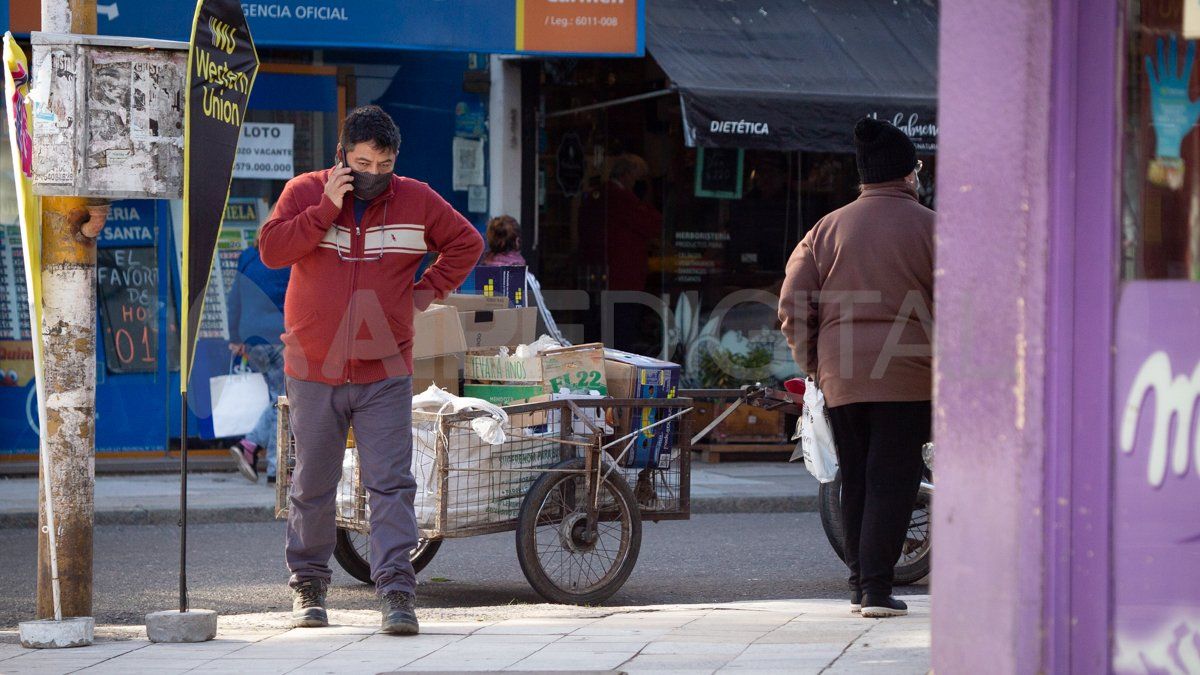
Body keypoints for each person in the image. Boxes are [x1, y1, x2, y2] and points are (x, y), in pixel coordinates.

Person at [258, 105, 483, 635]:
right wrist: (324, 210)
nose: (374, 174)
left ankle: (397, 594)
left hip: (384, 367)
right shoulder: (304, 191)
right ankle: (309, 586)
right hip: (313, 366)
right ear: (341, 157)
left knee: (392, 484)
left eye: (384, 164)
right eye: (363, 162)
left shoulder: (417, 198)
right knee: (313, 481)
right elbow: (271, 250)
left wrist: (423, 294)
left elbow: (466, 242)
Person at [778, 117, 934, 619]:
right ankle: (875, 590)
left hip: (840, 376)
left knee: (856, 477)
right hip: (908, 377)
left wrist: (814, 365)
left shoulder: (825, 229)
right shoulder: (935, 229)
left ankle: (858, 584)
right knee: (894, 480)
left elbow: (791, 304)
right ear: (908, 175)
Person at [226, 243, 290, 484]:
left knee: (279, 398)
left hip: (252, 338)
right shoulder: (289, 254)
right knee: (284, 400)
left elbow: (234, 299)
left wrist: (235, 337)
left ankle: (253, 449)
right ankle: (273, 466)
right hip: (279, 338)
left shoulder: (249, 258)